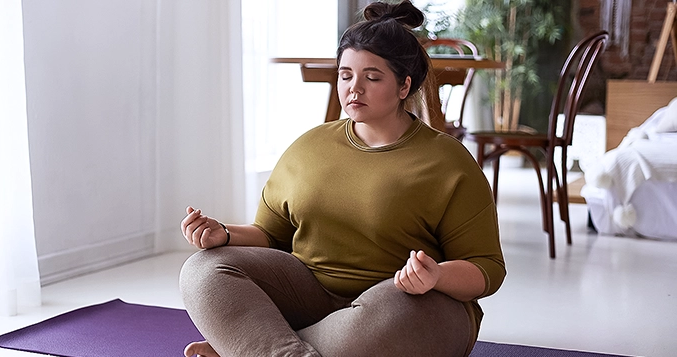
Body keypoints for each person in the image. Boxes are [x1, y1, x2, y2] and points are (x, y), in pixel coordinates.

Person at [179, 1, 506, 356]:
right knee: (204, 271)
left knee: (368, 332)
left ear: (403, 85)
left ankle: (253, 347)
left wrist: (436, 276)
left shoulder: (448, 161)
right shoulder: (309, 147)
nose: (354, 88)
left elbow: (486, 268)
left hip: (405, 306)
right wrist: (223, 234)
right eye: (346, 75)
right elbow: (270, 236)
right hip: (310, 295)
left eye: (372, 77)